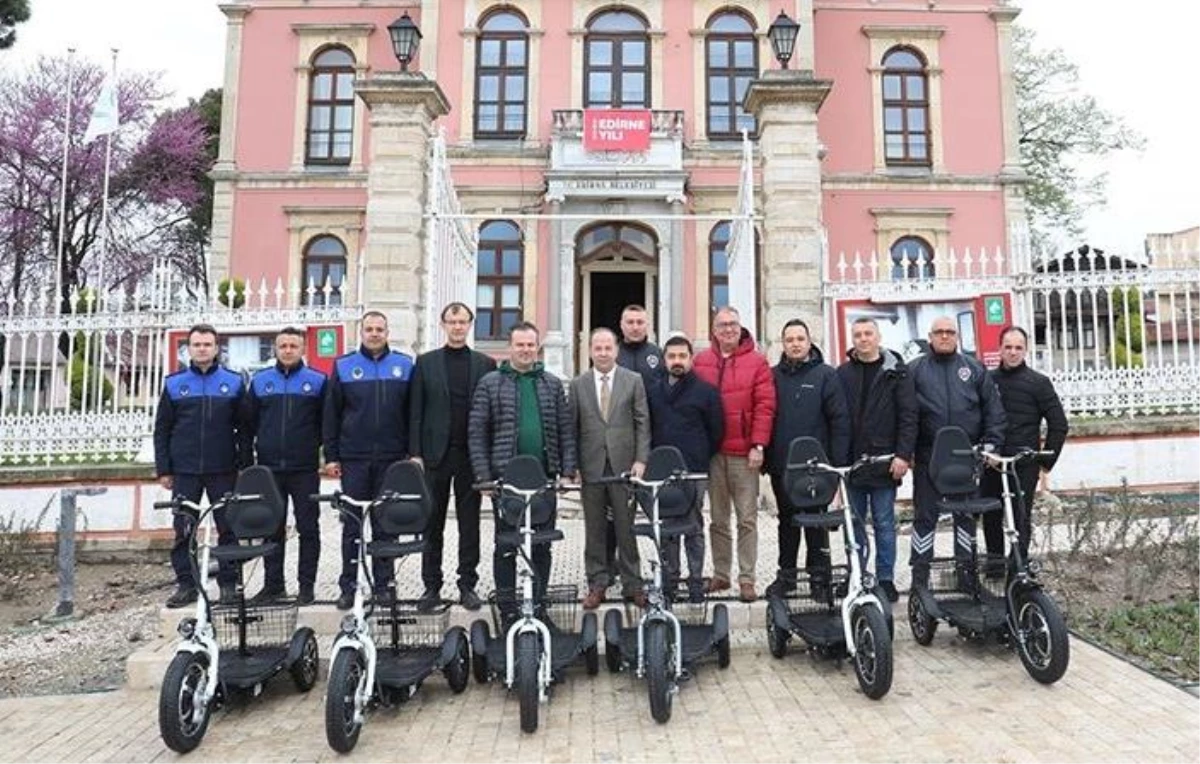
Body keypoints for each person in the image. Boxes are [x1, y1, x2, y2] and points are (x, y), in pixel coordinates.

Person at [469, 321, 577, 619]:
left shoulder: (551, 383)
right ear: (510, 347)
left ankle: (538, 605)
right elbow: (477, 433)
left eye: (531, 345)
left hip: (544, 480)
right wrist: (484, 476)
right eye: (521, 345)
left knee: (541, 546)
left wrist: (567, 471)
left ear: (537, 347)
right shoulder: (491, 383)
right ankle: (507, 610)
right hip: (506, 483)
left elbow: (565, 431)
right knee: (506, 545)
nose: (526, 350)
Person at [323, 311, 414, 611]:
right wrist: (332, 456)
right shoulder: (344, 366)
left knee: (385, 524)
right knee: (352, 524)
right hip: (354, 459)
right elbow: (332, 415)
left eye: (380, 329)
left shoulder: (404, 365)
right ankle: (348, 585)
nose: (374, 334)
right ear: (360, 332)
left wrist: (411, 454)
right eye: (369, 329)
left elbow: (412, 414)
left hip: (391, 458)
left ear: (388, 332)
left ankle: (384, 584)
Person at [907, 316, 1007, 591]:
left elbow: (994, 412)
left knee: (965, 516)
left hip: (967, 457)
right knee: (925, 516)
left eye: (950, 332)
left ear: (957, 337)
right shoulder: (914, 370)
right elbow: (906, 415)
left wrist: (991, 445)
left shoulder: (973, 369)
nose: (944, 336)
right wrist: (907, 451)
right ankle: (919, 579)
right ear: (930, 336)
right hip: (929, 457)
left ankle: (966, 575)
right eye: (939, 332)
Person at [409, 303, 497, 611]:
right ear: (443, 325)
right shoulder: (426, 363)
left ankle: (467, 584)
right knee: (432, 524)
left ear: (471, 325)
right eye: (452, 322)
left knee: (469, 525)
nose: (457, 327)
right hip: (435, 455)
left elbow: (492, 415)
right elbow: (416, 411)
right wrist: (416, 453)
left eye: (462, 322)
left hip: (471, 457)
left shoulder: (485, 364)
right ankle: (431, 586)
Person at [154, 324, 248, 608]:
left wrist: (244, 466)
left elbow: (244, 429)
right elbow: (162, 430)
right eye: (197, 345)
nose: (202, 349)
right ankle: (187, 585)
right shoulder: (174, 384)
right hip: (185, 470)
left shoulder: (233, 382)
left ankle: (229, 585)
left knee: (228, 528)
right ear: (189, 349)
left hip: (223, 468)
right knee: (184, 530)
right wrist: (165, 469)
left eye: (208, 344)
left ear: (216, 348)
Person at [693, 306, 776, 602]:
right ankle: (721, 574)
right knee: (717, 519)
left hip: (744, 454)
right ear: (713, 330)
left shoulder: (757, 362)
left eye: (733, 324)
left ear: (741, 328)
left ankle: (747, 578)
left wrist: (758, 445)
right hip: (713, 454)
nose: (728, 330)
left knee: (747, 519)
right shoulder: (700, 362)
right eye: (722, 325)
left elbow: (765, 406)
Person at [765, 320, 851, 598]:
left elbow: (839, 420)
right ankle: (787, 577)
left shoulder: (826, 375)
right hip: (783, 465)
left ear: (809, 340)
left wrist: (836, 465)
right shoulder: (772, 376)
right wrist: (767, 459)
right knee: (787, 522)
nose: (795, 344)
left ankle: (819, 579)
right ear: (783, 343)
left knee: (816, 523)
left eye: (800, 338)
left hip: (817, 467)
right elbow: (765, 416)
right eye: (789, 339)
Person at [243, 327, 327, 605]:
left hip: (303, 468)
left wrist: (326, 457)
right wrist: (247, 464)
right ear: (275, 349)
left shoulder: (317, 381)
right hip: (268, 469)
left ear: (303, 349)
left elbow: (326, 425)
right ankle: (273, 585)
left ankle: (306, 586)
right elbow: (247, 425)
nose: (288, 350)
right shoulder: (260, 382)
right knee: (271, 529)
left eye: (293, 345)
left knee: (308, 528)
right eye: (283, 346)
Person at [836, 317, 917, 603]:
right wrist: (838, 464)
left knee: (884, 523)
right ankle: (856, 574)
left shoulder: (896, 371)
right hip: (853, 465)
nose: (863, 339)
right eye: (857, 334)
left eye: (868, 333)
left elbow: (909, 416)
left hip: (886, 462)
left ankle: (885, 579)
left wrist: (903, 455)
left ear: (878, 336)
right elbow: (837, 419)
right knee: (853, 525)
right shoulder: (842, 373)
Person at [571, 328, 650, 609]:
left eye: (608, 348)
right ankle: (597, 582)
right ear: (590, 350)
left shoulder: (633, 381)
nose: (603, 353)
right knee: (594, 530)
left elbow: (643, 423)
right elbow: (572, 428)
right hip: (591, 467)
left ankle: (632, 584)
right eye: (597, 348)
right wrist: (573, 466)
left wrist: (641, 460)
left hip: (624, 468)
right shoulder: (578, 384)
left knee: (625, 528)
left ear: (616, 351)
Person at [980, 325, 1068, 570]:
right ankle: (995, 566)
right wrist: (983, 452)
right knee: (991, 513)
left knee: (1020, 516)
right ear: (1000, 349)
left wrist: (1046, 461)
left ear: (1026, 350)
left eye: (1018, 347)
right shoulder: (987, 380)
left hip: (1024, 463)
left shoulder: (1039, 383)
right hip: (992, 461)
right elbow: (976, 417)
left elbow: (1059, 424)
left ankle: (1018, 565)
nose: (1013, 352)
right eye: (1008, 347)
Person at [646, 334, 723, 603]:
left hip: (694, 471)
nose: (677, 361)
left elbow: (717, 432)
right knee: (667, 529)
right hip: (662, 473)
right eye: (671, 356)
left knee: (693, 527)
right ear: (664, 359)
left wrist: (699, 455)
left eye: (682, 356)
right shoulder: (653, 391)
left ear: (691, 359)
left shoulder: (706, 392)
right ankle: (669, 582)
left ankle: (694, 581)